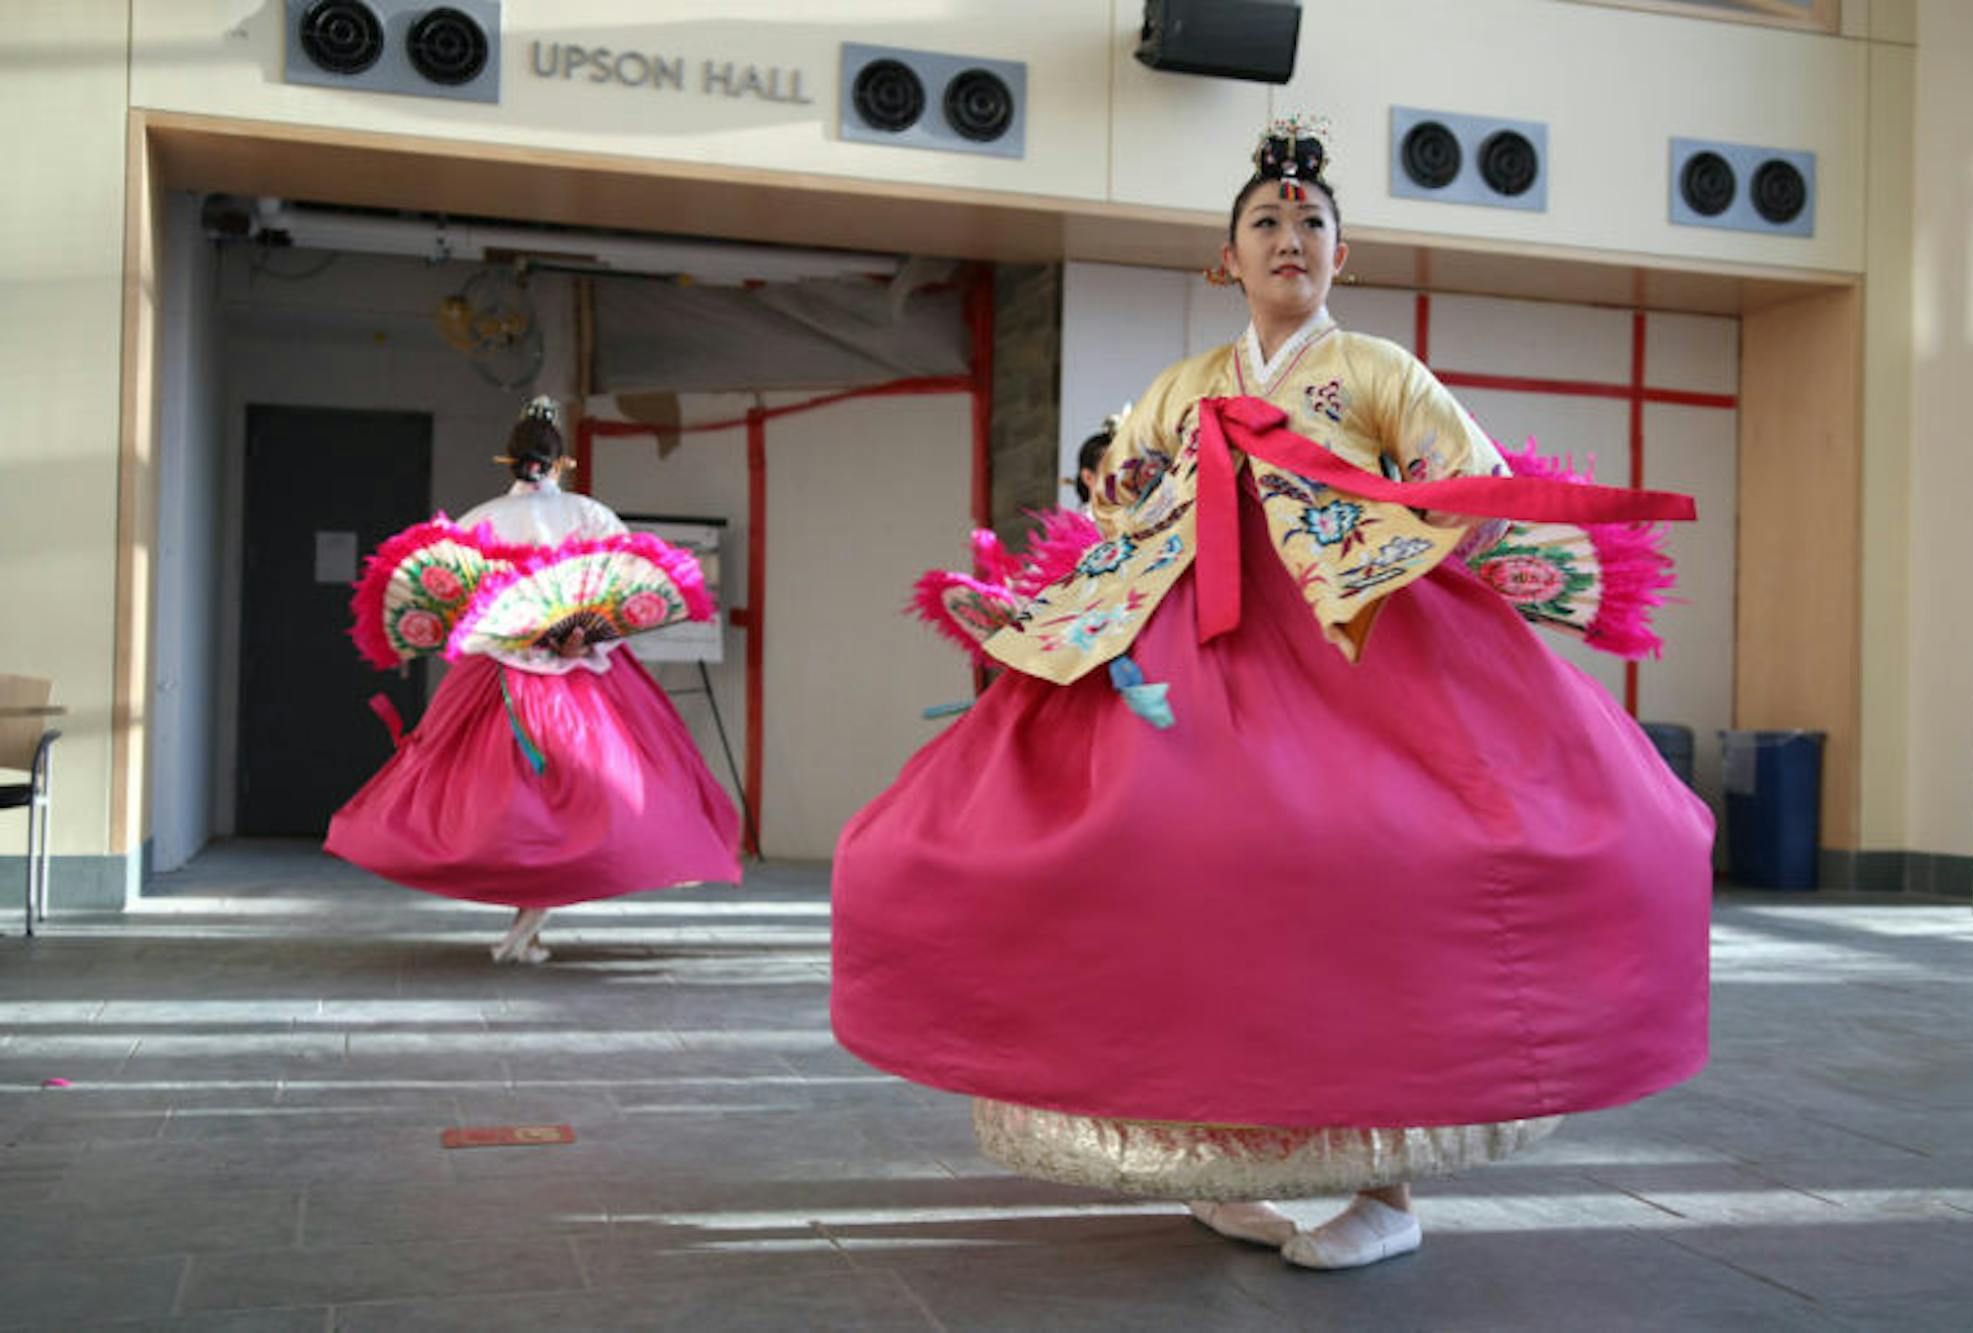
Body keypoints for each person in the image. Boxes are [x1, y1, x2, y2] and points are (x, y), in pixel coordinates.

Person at [830, 117, 1713, 1271]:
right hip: (1197, 633)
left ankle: (1384, 1187)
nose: (1288, 237)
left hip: (1353, 644)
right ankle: (1223, 1162)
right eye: (1264, 224)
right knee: (1178, 869)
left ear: (1341, 257)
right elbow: (1118, 514)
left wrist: (1373, 537)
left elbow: (1472, 484)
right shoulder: (1184, 385)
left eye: (1310, 224)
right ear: (1225, 262)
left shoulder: (1376, 371)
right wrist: (1058, 609)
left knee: (1373, 874)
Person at [326, 396, 742, 964]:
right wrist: (584, 638)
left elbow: (467, 617)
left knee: (502, 802)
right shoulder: (589, 516)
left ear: (510, 461)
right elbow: (622, 592)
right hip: (586, 681)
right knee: (591, 798)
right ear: (560, 461)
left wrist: (516, 636)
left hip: (497, 678)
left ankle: (527, 918)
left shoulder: (479, 522)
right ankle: (531, 920)